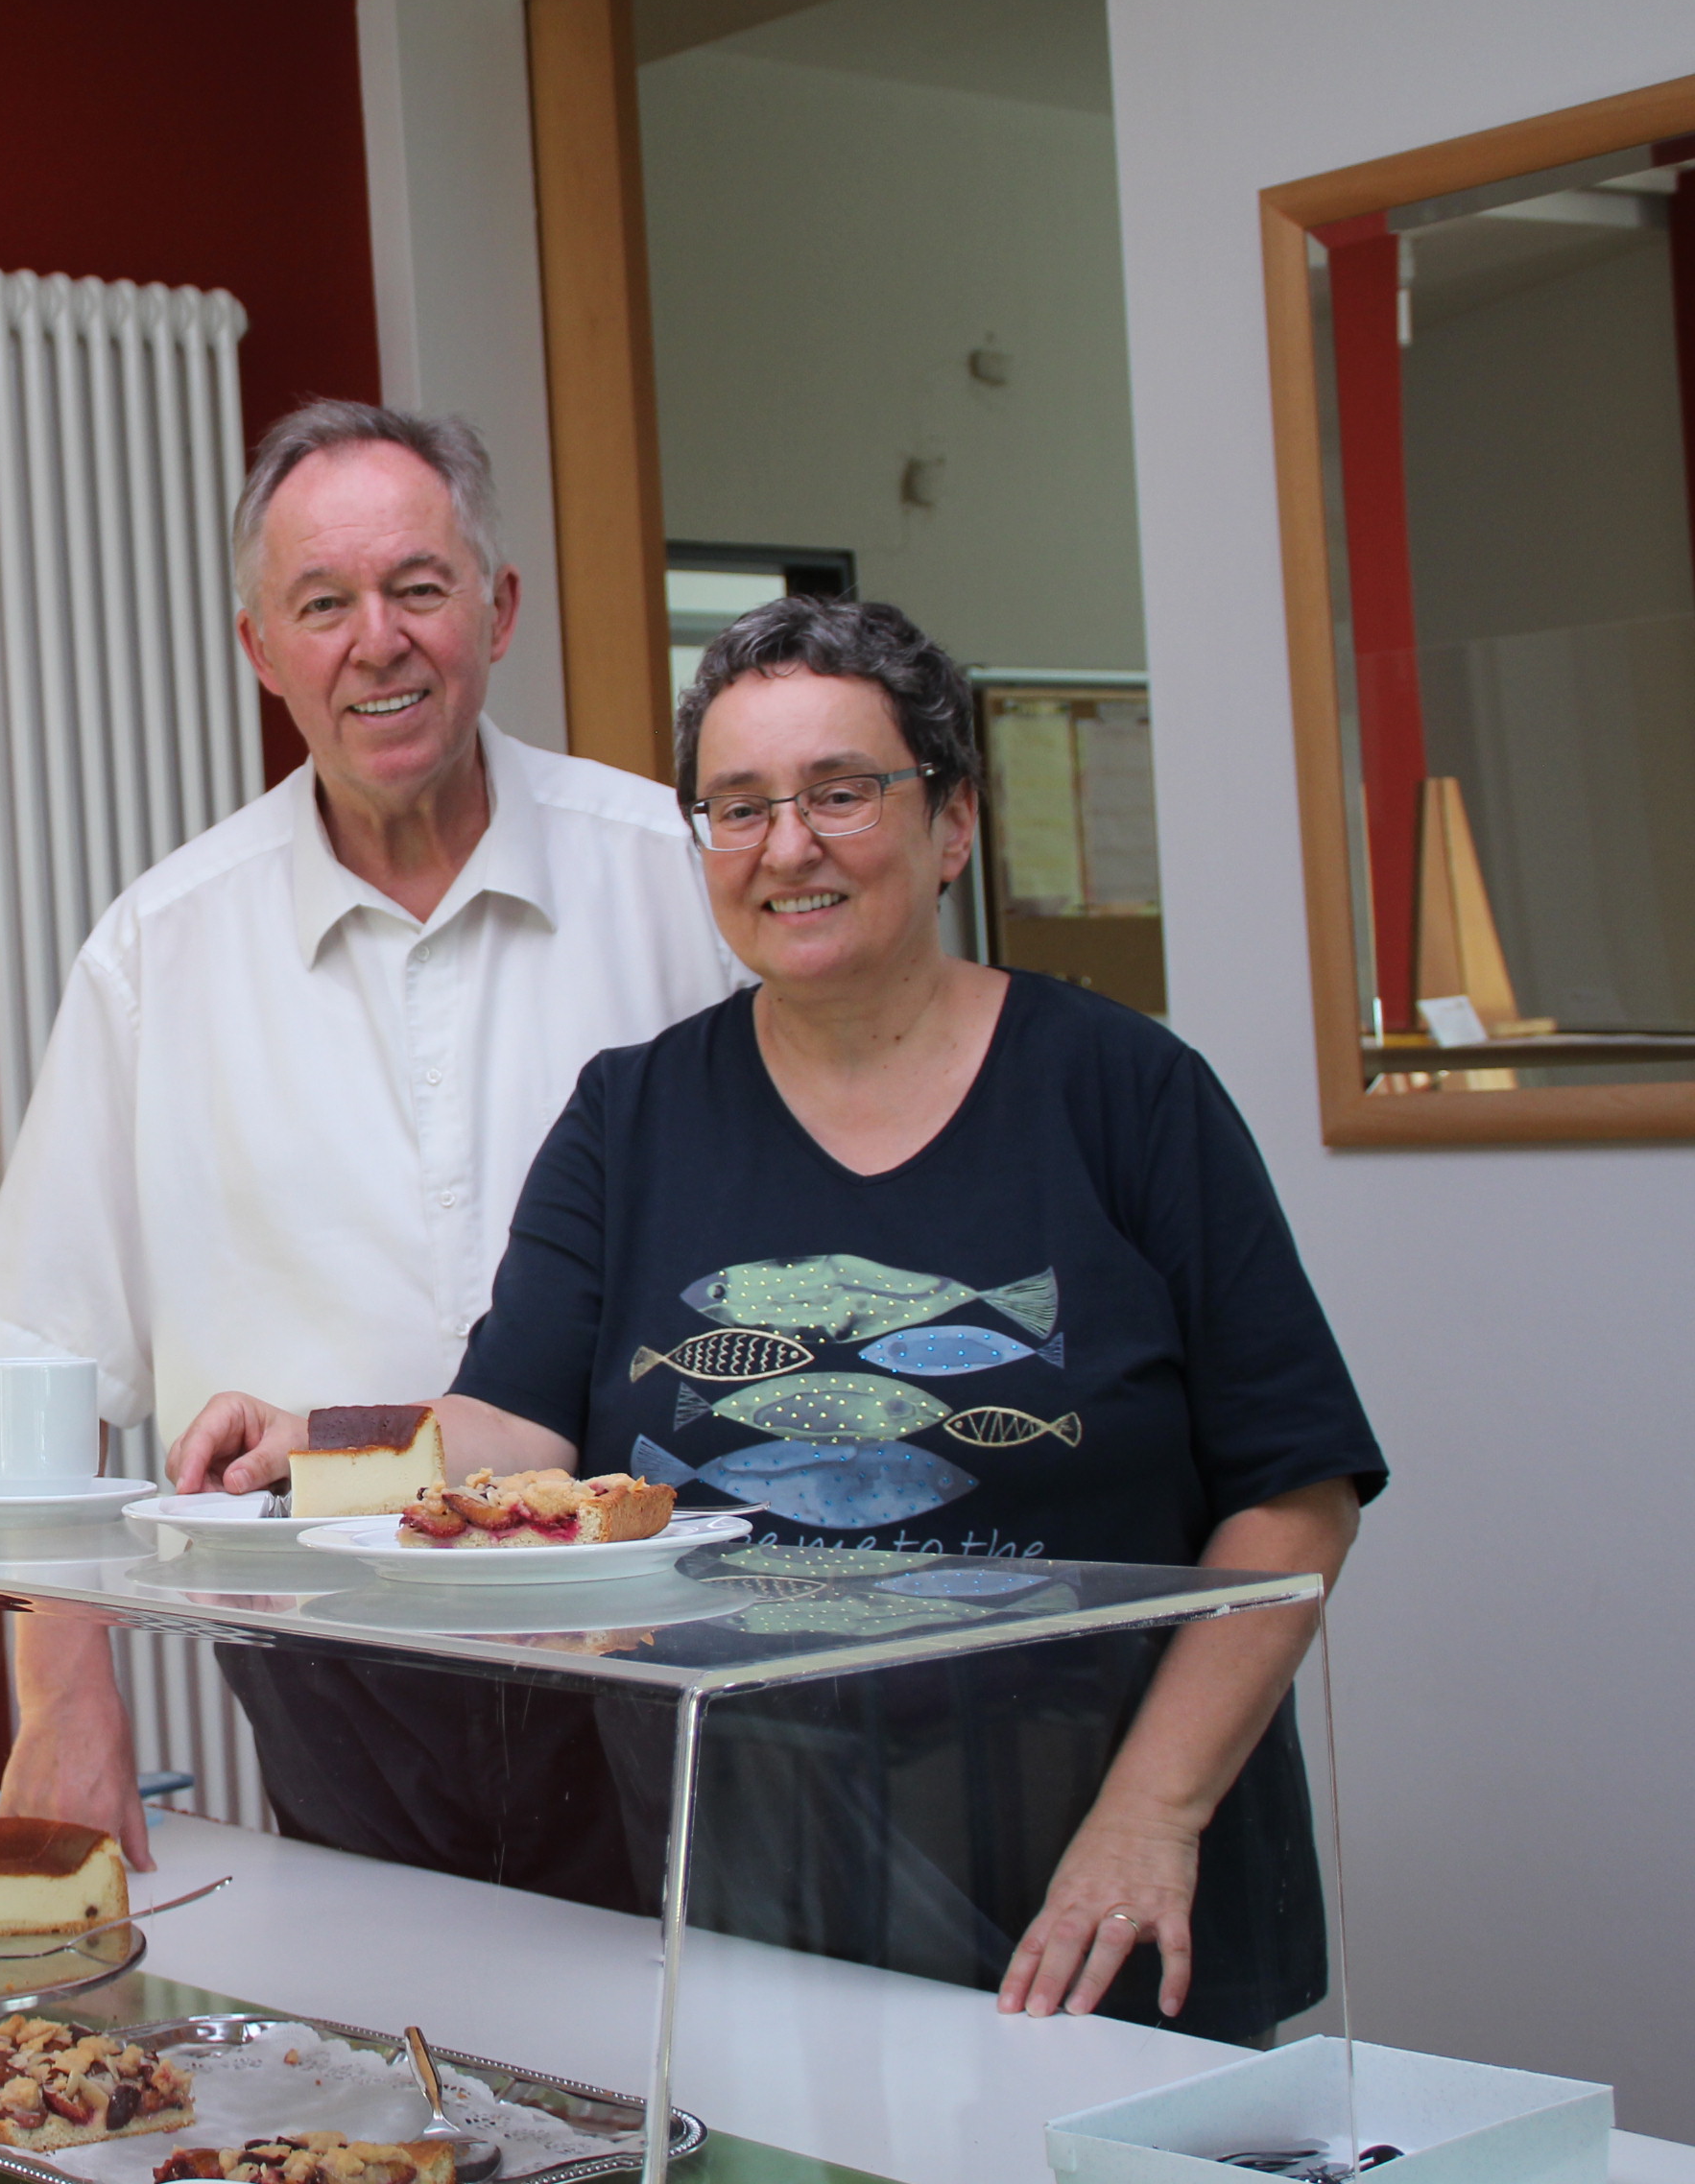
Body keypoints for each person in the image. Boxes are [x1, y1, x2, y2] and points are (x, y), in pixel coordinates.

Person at [170, 596, 1385, 2040]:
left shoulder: (1127, 1094)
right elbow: (518, 1427)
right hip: (745, 1874)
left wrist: (1150, 1819)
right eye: (737, 807)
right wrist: (321, 1441)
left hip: (1086, 1886)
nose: (787, 846)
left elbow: (1295, 1497)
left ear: (951, 823)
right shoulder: (631, 1117)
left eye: (841, 792)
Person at [0, 399, 742, 1886]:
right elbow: (40, 1365)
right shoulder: (160, 950)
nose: (377, 643)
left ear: (498, 610)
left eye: (418, 587)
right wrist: (63, 1700)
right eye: (323, 605)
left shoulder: (680, 880)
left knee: (712, 2022)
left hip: (668, 1640)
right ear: (261, 649)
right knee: (385, 2026)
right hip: (336, 1686)